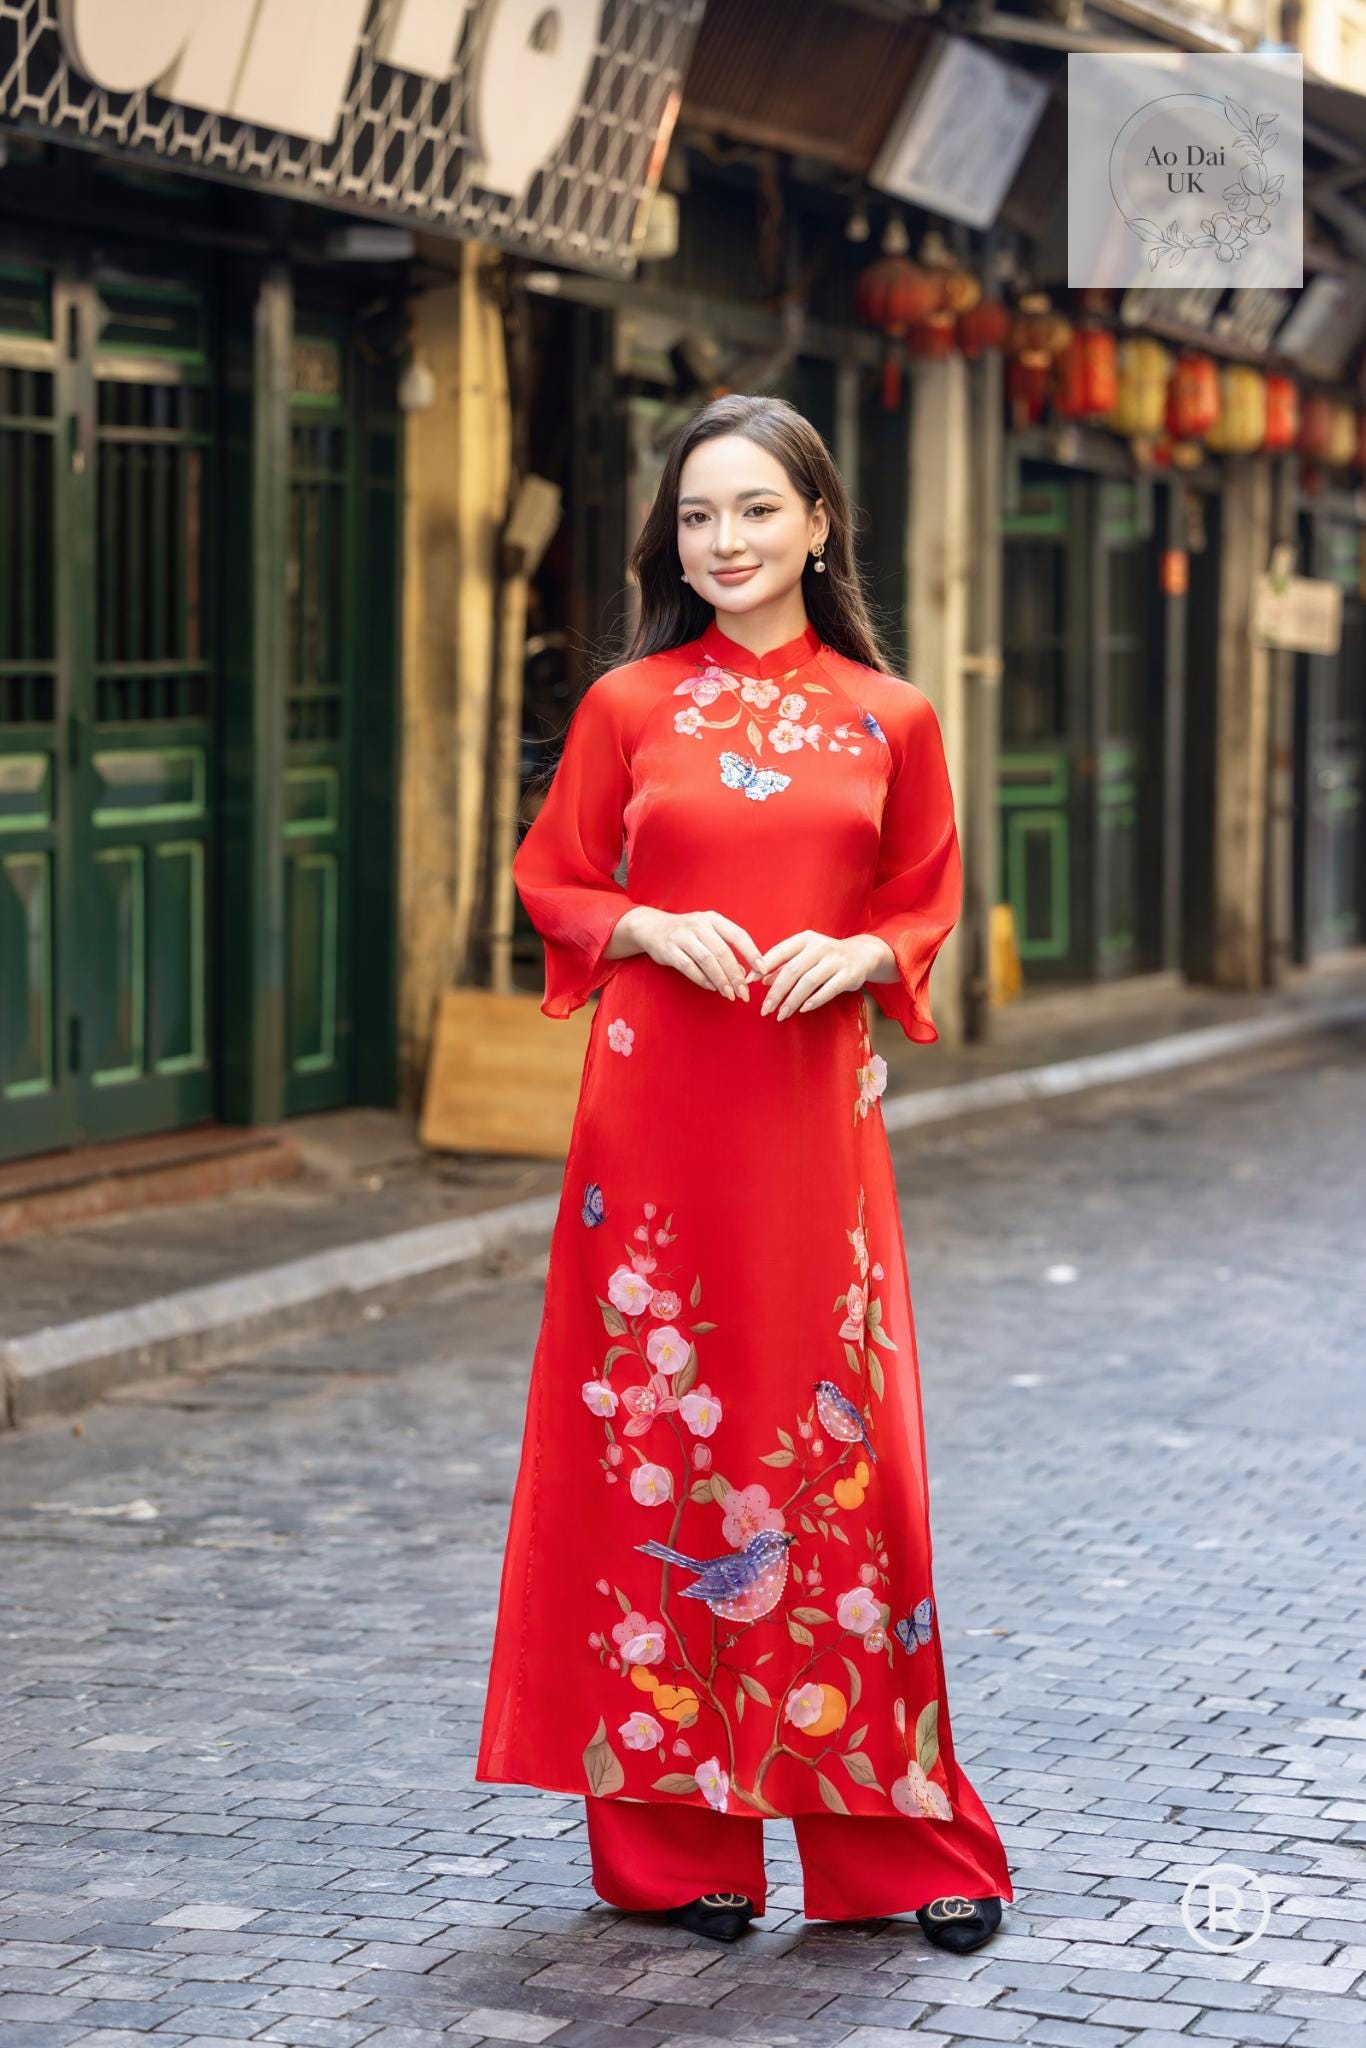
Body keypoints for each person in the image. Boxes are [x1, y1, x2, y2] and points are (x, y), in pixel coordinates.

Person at [474, 392, 1014, 1950]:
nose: (725, 541)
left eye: (756, 510)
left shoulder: (889, 717)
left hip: (807, 1114)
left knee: (839, 1460)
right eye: (698, 515)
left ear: (818, 525)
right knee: (651, 1447)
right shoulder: (627, 705)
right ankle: (676, 1853)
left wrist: (864, 954)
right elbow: (554, 877)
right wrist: (645, 924)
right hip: (648, 1125)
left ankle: (895, 1852)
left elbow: (922, 897)